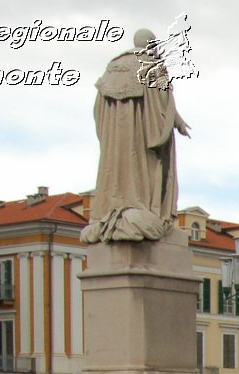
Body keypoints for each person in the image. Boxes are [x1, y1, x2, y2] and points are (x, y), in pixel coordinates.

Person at [80, 27, 191, 244]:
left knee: (117, 169)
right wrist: (176, 122)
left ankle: (116, 207)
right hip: (142, 136)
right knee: (143, 170)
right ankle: (143, 209)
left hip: (115, 138)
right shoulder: (151, 64)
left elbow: (98, 108)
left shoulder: (112, 68)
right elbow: (163, 103)